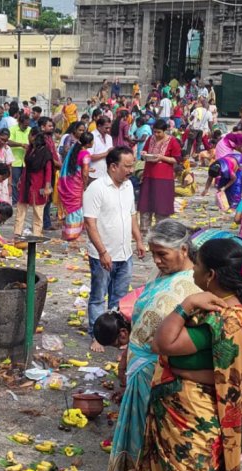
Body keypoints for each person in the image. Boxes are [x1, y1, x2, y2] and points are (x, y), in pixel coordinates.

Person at [136, 238, 242, 471]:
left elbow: (161, 344)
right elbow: (225, 372)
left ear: (210, 275)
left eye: (198, 265)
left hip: (192, 424)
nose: (193, 268)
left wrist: (186, 305)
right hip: (188, 418)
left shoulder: (220, 318)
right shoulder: (230, 310)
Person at [104, 220, 200, 471]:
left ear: (183, 250)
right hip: (139, 365)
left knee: (154, 436)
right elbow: (139, 320)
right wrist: (125, 356)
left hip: (160, 374)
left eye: (162, 254)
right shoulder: (161, 276)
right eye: (153, 253)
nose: (156, 260)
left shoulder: (195, 285)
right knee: (139, 432)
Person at [84, 147, 145, 353]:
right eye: (127, 166)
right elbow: (90, 223)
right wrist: (102, 252)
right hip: (103, 253)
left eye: (132, 165)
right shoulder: (96, 188)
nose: (131, 170)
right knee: (99, 295)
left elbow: (132, 216)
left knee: (119, 298)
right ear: (113, 166)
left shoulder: (128, 186)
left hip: (124, 252)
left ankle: (116, 333)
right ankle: (98, 335)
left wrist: (139, 240)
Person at [138, 119, 181, 235]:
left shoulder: (172, 141)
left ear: (164, 131)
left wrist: (162, 158)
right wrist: (143, 154)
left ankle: (161, 231)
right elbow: (144, 152)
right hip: (148, 175)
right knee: (145, 204)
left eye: (159, 132)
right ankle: (144, 230)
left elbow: (176, 159)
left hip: (164, 178)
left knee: (161, 206)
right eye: (155, 132)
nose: (156, 135)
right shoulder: (150, 139)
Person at [14, 120, 54, 236]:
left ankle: (36, 234)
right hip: (26, 183)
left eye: (30, 135)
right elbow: (26, 167)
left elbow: (48, 170)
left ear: (34, 137)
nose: (28, 137)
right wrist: (21, 180)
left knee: (38, 211)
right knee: (21, 209)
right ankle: (17, 233)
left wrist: (47, 186)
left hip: (39, 184)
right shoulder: (30, 150)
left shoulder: (45, 152)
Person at [58, 132, 93, 244]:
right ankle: (73, 235)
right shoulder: (85, 154)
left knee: (70, 207)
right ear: (88, 143)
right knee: (76, 207)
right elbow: (85, 172)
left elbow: (76, 166)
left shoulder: (75, 149)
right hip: (77, 184)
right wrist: (86, 185)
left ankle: (67, 233)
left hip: (69, 181)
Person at [8, 114, 32, 206]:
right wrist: (21, 145)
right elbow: (8, 142)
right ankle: (15, 201)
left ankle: (25, 200)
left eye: (27, 125)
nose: (26, 127)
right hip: (16, 160)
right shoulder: (12, 129)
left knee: (26, 182)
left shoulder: (30, 130)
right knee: (14, 182)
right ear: (19, 122)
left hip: (27, 161)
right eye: (24, 125)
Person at [0, 129, 15, 202]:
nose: (3, 142)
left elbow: (9, 167)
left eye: (5, 140)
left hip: (3, 181)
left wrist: (9, 185)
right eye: (1, 139)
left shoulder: (7, 149)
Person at [89, 116, 113, 182]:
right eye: (106, 128)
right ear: (99, 126)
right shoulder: (91, 137)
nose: (108, 130)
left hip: (106, 174)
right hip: (94, 174)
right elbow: (90, 157)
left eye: (109, 128)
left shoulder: (109, 138)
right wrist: (107, 153)